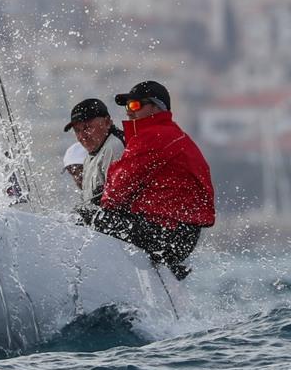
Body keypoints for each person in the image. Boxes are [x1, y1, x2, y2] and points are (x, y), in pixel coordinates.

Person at [83, 81, 215, 280]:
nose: (129, 111)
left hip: (164, 234)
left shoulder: (154, 136)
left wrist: (99, 209)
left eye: (135, 105)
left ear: (156, 107)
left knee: (85, 215)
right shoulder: (174, 135)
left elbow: (118, 187)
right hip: (180, 237)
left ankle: (87, 277)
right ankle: (169, 268)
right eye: (127, 106)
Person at [63, 98, 125, 207]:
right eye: (77, 131)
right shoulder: (91, 154)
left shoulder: (114, 147)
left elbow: (117, 201)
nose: (82, 136)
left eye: (87, 127)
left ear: (107, 122)